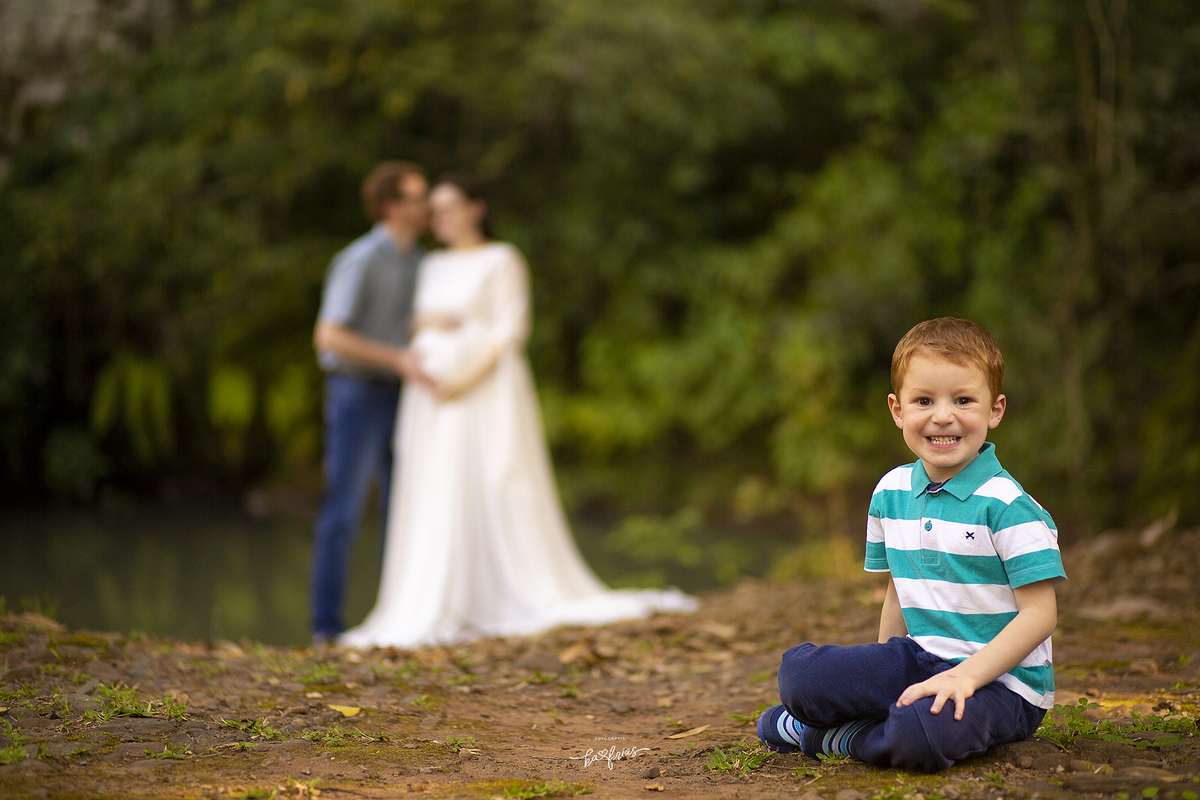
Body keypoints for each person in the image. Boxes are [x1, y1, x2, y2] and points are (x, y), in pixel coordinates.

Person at [339, 175, 695, 648]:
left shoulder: (502, 259)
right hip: (430, 402)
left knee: (492, 481)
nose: (439, 217)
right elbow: (412, 321)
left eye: (449, 207)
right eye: (435, 208)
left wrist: (463, 380)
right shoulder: (430, 264)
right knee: (438, 488)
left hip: (481, 395)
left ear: (477, 207)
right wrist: (427, 341)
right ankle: (441, 593)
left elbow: (509, 331)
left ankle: (496, 593)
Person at [757, 317, 1066, 772]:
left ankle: (832, 737)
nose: (943, 416)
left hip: (1001, 686)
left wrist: (965, 677)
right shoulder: (891, 492)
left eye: (963, 400)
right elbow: (897, 590)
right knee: (799, 675)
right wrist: (878, 673)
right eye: (924, 400)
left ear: (995, 410)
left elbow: (1041, 614)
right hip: (919, 658)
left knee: (920, 733)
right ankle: (861, 721)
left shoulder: (1008, 506)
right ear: (897, 409)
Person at [309, 161, 431, 646]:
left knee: (401, 510)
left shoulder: (421, 261)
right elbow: (329, 335)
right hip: (357, 394)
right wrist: (398, 358)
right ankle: (325, 628)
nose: (427, 205)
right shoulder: (359, 259)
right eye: (418, 196)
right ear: (391, 206)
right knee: (344, 512)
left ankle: (392, 620)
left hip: (405, 396)